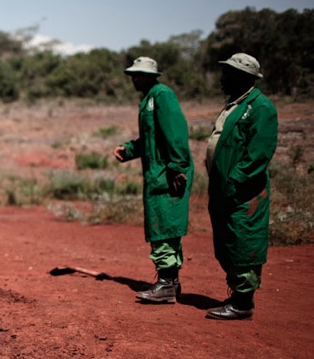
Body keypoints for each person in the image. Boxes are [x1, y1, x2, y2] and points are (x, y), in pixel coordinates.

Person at [114, 57, 193, 303]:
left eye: (139, 75)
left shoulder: (162, 95)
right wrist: (129, 149)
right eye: (133, 75)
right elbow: (151, 139)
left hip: (167, 174)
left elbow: (176, 132)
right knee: (162, 225)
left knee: (164, 227)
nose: (134, 79)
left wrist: (177, 166)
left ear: (151, 76)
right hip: (157, 173)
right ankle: (170, 283)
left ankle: (166, 283)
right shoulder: (148, 98)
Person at [204, 53, 278, 320]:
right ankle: (238, 294)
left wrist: (235, 180)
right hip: (224, 188)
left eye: (229, 74)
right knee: (226, 240)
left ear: (244, 78)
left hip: (244, 191)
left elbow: (259, 153)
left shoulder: (261, 108)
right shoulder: (234, 105)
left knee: (243, 240)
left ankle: (243, 302)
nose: (224, 78)